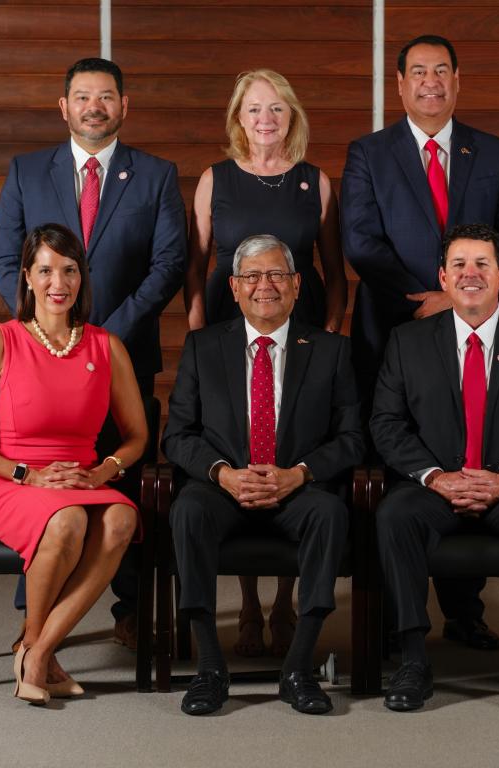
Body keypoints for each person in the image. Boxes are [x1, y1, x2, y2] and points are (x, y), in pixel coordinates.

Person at [341, 33, 499, 652]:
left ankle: (465, 610)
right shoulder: (369, 153)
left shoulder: (494, 152)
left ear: (457, 80)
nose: (430, 81)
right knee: (403, 460)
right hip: (393, 326)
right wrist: (428, 296)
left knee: (472, 444)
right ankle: (399, 617)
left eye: (441, 70)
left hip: (476, 324)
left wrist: (459, 297)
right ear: (399, 84)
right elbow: (362, 241)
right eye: (417, 71)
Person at [0, 57, 187, 649]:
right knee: (46, 476)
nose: (94, 106)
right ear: (64, 106)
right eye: (82, 96)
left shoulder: (154, 174)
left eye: (106, 97)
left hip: (125, 354)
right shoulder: (27, 172)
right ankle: (39, 612)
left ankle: (130, 607)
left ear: (124, 107)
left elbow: (168, 265)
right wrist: (50, 329)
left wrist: (104, 338)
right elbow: (6, 262)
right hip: (39, 363)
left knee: (121, 479)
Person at [370, 223, 499, 713]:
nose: (471, 274)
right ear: (442, 278)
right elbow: (386, 423)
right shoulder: (407, 342)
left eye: (483, 264)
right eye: (460, 265)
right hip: (435, 485)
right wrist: (435, 477)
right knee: (393, 514)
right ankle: (413, 659)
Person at [0, 224, 148, 705]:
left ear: (82, 278)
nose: (59, 282)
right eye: (46, 270)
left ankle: (36, 648)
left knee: (122, 517)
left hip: (82, 478)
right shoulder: (0, 341)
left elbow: (137, 437)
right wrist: (25, 474)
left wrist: (104, 471)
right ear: (28, 278)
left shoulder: (106, 346)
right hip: (6, 482)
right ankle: (39, 655)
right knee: (68, 520)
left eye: (70, 270)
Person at [163, 234, 365, 716]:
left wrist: (299, 474)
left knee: (330, 514)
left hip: (296, 487)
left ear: (296, 284)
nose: (265, 286)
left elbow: (353, 438)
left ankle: (298, 668)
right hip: (225, 487)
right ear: (233, 287)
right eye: (252, 276)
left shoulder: (330, 350)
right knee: (188, 510)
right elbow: (178, 435)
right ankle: (211, 667)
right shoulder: (203, 347)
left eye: (276, 274)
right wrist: (223, 474)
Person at [183, 69, 348, 658]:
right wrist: (203, 339)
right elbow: (197, 266)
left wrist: (327, 341)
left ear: (291, 116)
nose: (265, 119)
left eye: (276, 108)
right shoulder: (214, 180)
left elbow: (332, 270)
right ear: (238, 117)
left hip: (298, 336)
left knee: (290, 452)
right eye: (254, 109)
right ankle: (248, 603)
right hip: (230, 337)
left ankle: (285, 601)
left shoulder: (315, 182)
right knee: (239, 449)